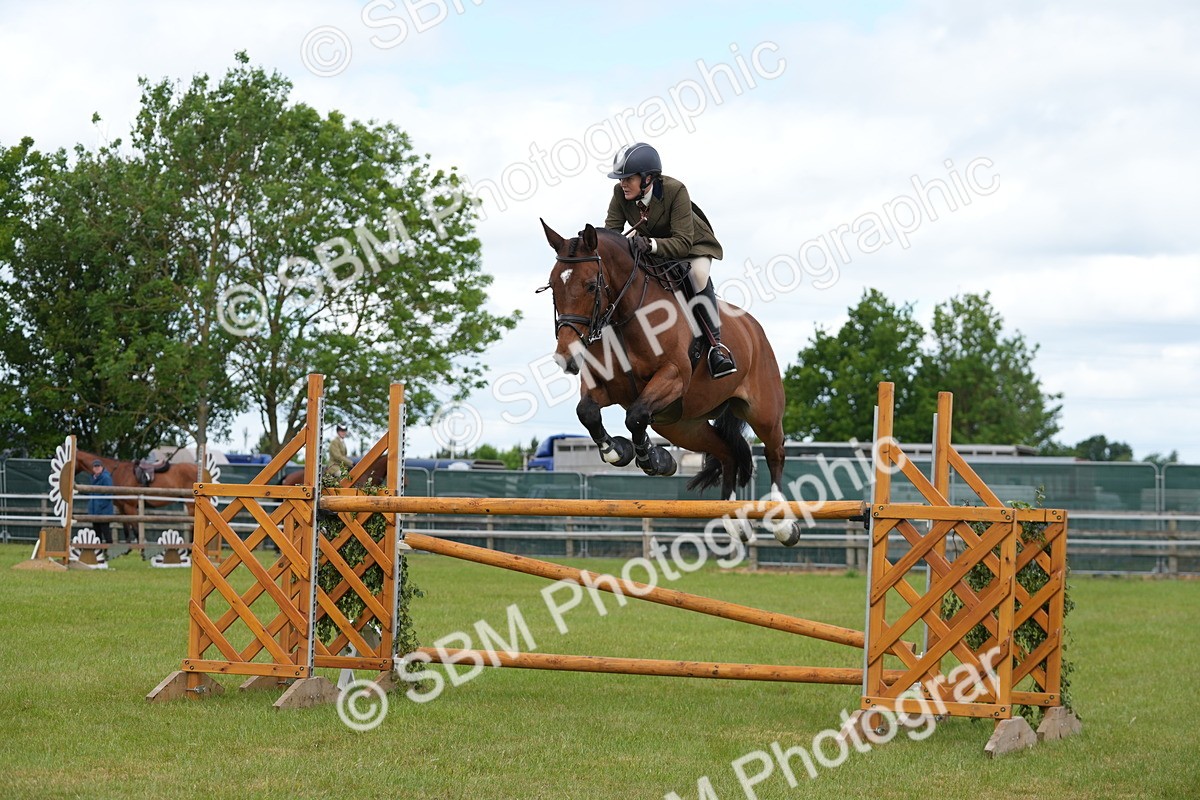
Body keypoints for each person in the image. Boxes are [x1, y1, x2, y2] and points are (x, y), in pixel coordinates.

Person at [603, 142, 737, 378]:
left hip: (691, 247)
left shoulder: (676, 190)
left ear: (647, 178)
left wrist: (651, 244)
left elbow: (683, 242)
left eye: (628, 178)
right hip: (649, 247)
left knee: (697, 276)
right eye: (620, 178)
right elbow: (612, 233)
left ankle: (716, 348)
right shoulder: (620, 194)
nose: (622, 183)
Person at [88, 459, 115, 545]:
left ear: (102, 467)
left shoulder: (106, 478)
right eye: (95, 466)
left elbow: (109, 494)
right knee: (97, 532)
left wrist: (100, 505)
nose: (97, 468)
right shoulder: (94, 478)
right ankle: (99, 551)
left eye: (98, 466)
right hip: (95, 510)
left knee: (105, 531)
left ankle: (110, 550)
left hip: (103, 511)